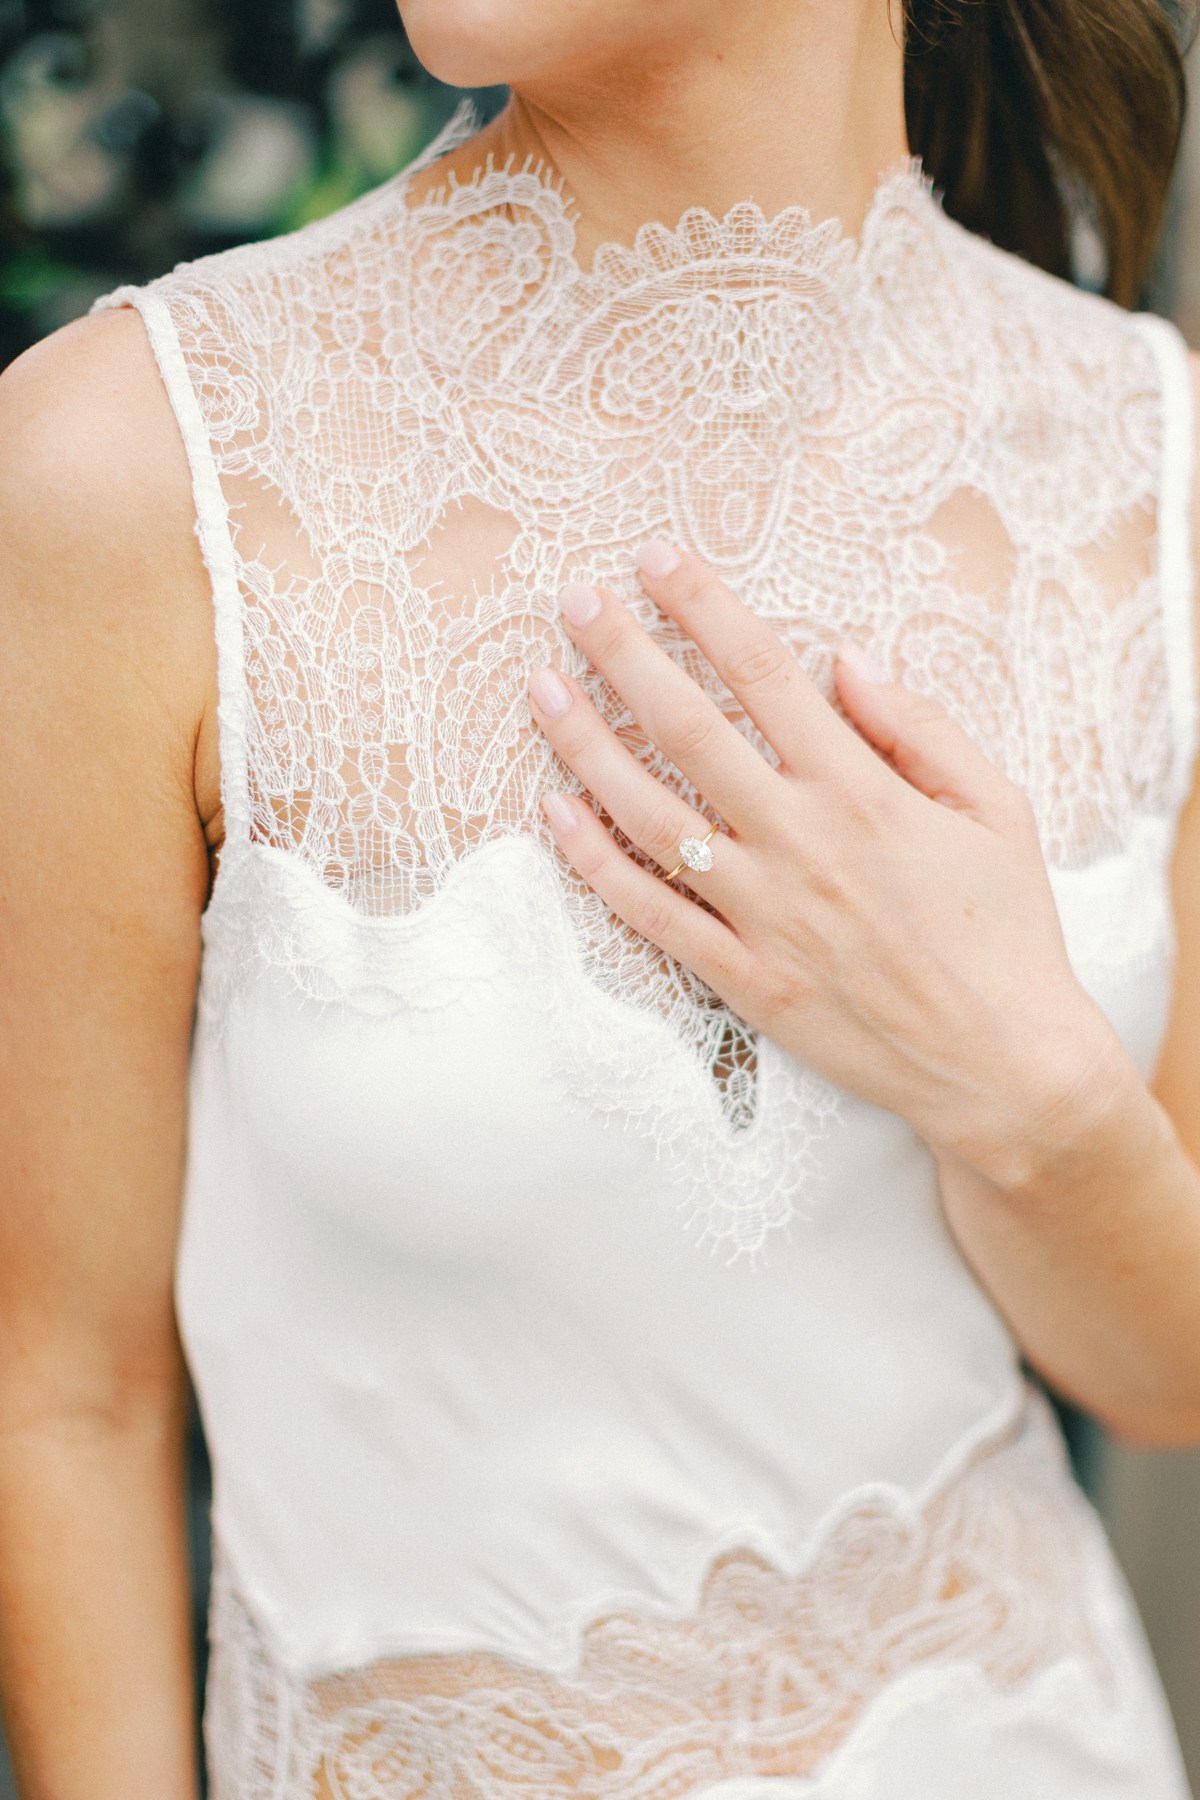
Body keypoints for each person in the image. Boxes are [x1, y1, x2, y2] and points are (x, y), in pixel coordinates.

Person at [3, 0, 1200, 1793]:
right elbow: (59, 1399)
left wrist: (1029, 1095)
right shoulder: (126, 473)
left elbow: (1164, 1383)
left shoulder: (1146, 464)